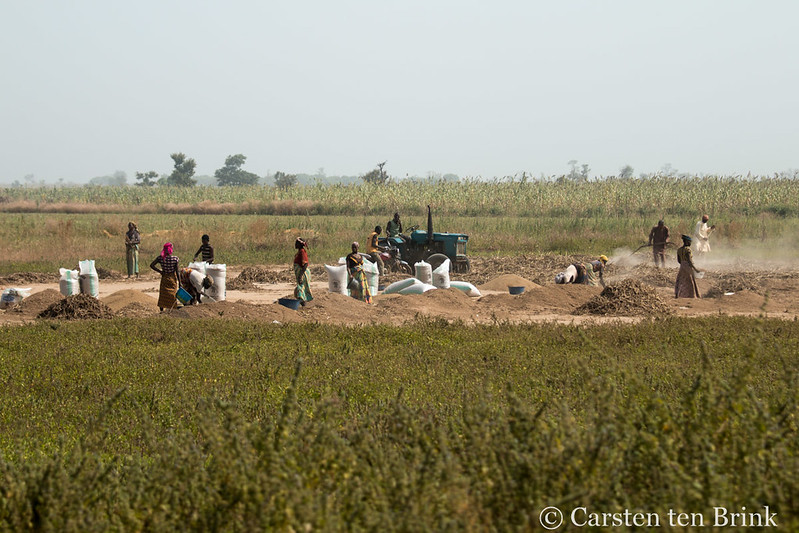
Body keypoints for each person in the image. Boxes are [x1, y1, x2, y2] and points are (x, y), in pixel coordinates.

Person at [150, 242, 180, 311]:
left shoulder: (160, 258)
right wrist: (180, 282)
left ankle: (161, 310)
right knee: (172, 294)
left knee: (163, 294)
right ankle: (172, 309)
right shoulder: (175, 259)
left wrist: (160, 271)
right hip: (172, 278)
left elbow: (152, 265)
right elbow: (177, 271)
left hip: (164, 277)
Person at [293, 238, 313, 305]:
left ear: (299, 244)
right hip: (301, 273)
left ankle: (302, 306)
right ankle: (302, 306)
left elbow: (305, 264)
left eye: (296, 243)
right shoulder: (299, 252)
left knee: (300, 291)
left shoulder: (302, 251)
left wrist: (300, 276)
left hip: (303, 273)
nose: (295, 244)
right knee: (301, 290)